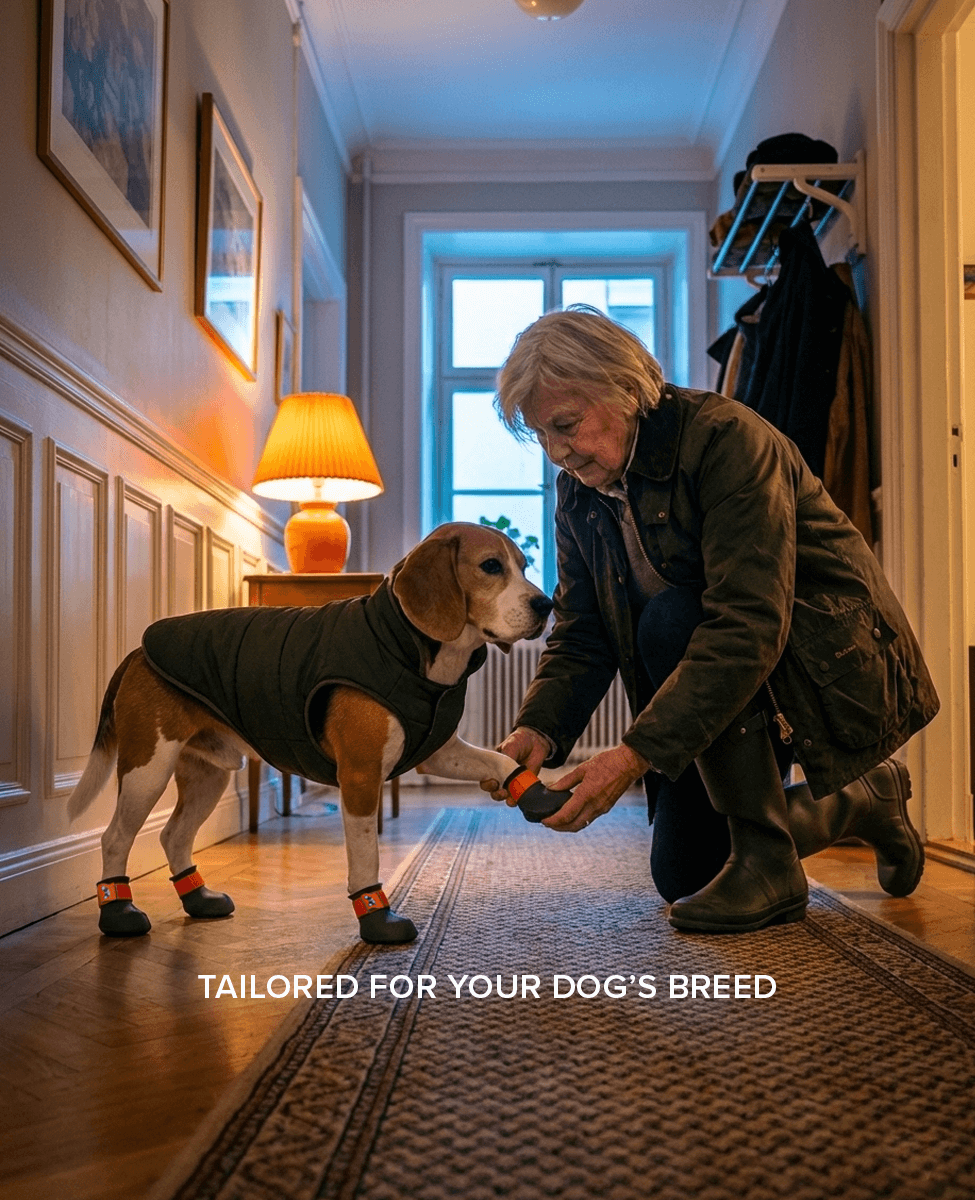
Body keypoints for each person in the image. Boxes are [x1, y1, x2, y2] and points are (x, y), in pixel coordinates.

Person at [494, 306, 939, 934]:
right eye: (541, 435)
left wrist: (633, 755)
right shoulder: (580, 490)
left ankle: (768, 858)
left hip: (812, 669)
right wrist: (537, 729)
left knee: (676, 615)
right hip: (717, 693)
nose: (556, 453)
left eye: (566, 425)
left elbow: (746, 624)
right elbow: (583, 628)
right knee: (686, 877)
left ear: (625, 388)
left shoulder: (729, 440)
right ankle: (865, 798)